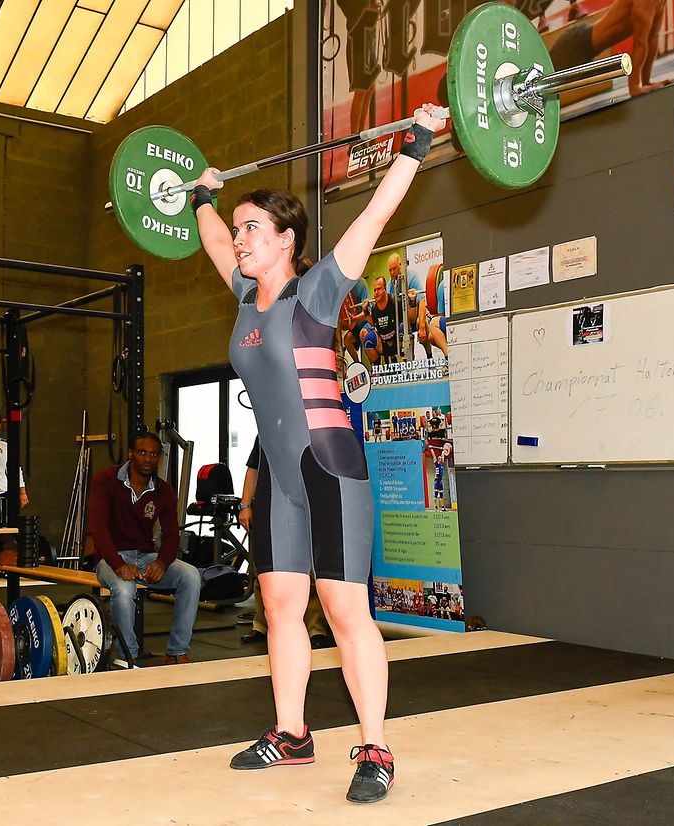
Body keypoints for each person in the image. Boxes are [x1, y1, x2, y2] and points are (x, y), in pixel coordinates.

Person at [193, 101, 446, 804]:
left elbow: (375, 217)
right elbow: (211, 241)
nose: (239, 239)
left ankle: (376, 746)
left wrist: (417, 142)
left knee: (342, 608)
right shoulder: (245, 295)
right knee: (280, 605)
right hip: (280, 477)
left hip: (329, 467)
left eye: (251, 228)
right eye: (239, 229)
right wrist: (203, 197)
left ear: (286, 239)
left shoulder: (317, 292)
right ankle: (292, 734)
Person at [88, 431, 201, 667]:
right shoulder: (105, 480)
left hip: (146, 556)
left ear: (159, 457)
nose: (148, 459)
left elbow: (172, 534)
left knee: (191, 575)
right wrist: (118, 564)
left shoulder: (163, 490)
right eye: (142, 452)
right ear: (130, 454)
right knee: (124, 589)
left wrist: (162, 562)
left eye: (154, 454)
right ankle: (127, 657)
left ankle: (177, 651)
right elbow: (98, 529)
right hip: (110, 558)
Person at [238, 438, 330, 648]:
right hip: (270, 503)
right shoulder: (266, 430)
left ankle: (315, 628)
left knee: (310, 571)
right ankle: (261, 625)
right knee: (264, 570)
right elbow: (253, 468)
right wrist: (245, 505)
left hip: (307, 504)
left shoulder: (314, 429)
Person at [548, 0, 670, 97]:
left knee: (544, 93)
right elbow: (640, 42)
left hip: (587, 48)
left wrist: (646, 82)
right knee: (540, 84)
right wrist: (635, 87)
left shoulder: (661, 2)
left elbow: (652, 39)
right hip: (577, 42)